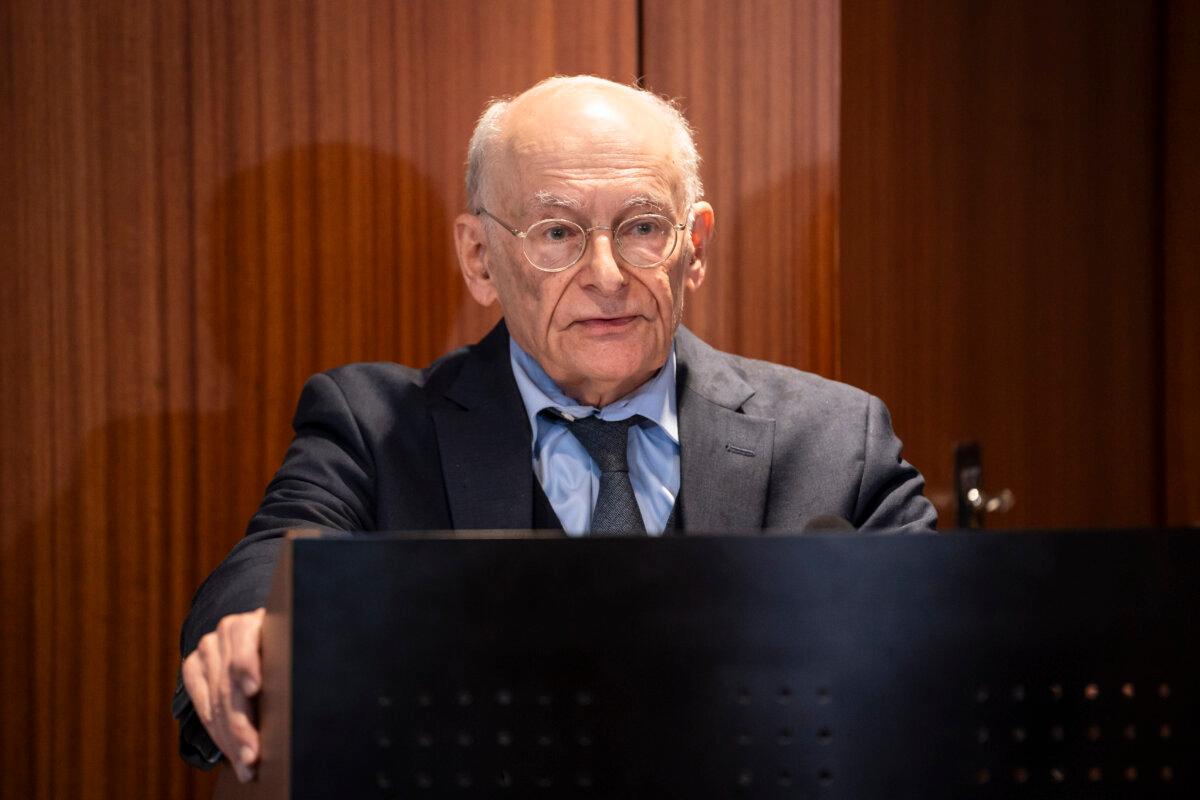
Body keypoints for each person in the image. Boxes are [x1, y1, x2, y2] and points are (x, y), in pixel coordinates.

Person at [176, 75, 937, 781]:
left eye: (643, 227)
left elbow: (946, 658)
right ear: (479, 258)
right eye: (556, 233)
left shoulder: (838, 440)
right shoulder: (374, 430)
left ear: (694, 247)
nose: (606, 275)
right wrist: (251, 625)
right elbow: (270, 559)